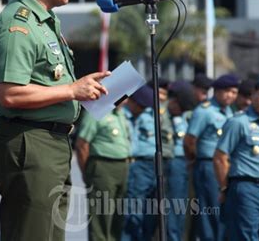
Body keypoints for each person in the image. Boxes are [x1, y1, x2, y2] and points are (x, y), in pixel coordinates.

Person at [0, 0, 110, 241]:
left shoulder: (45, 21)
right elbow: (11, 94)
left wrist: (81, 89)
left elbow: (48, 83)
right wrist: (71, 90)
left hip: (50, 143)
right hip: (30, 143)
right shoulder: (19, 26)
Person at [213, 68, 259, 241]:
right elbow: (220, 157)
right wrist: (224, 188)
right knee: (247, 237)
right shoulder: (239, 122)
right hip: (247, 189)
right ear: (253, 95)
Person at [184, 74, 240, 241]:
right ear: (216, 91)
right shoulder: (205, 111)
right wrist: (195, 158)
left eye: (234, 92)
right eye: (227, 91)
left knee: (224, 210)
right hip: (208, 165)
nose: (230, 95)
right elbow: (189, 141)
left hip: (226, 165)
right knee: (210, 209)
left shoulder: (230, 111)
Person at [75, 105, 131, 241]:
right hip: (103, 166)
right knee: (101, 215)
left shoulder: (121, 114)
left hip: (123, 166)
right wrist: (87, 173)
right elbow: (82, 144)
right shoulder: (97, 112)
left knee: (118, 216)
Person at [122, 85, 158, 241]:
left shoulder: (150, 114)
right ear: (132, 102)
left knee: (151, 212)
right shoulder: (122, 115)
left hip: (154, 165)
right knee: (133, 212)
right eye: (140, 106)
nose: (142, 110)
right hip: (137, 165)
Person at [165, 81, 196, 241]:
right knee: (175, 205)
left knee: (184, 206)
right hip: (174, 162)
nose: (172, 103)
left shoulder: (189, 115)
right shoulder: (164, 114)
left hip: (187, 162)